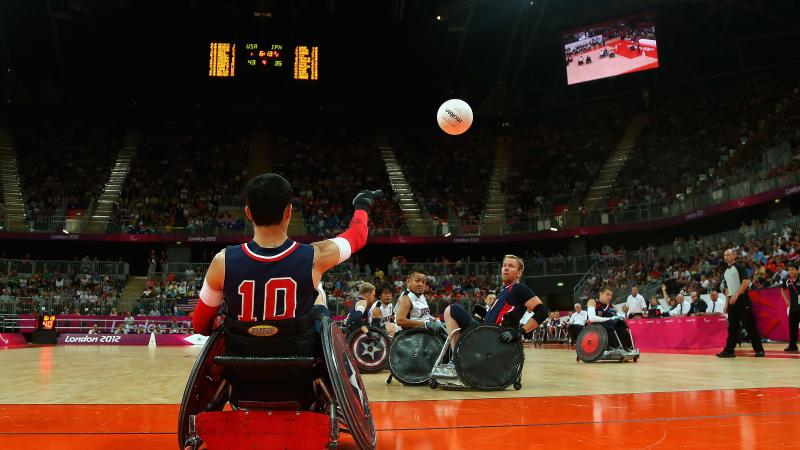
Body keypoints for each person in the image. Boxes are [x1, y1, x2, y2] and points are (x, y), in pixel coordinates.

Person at [191, 173, 381, 355]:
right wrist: (362, 204)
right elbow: (358, 236)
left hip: (239, 366)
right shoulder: (316, 257)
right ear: (289, 211)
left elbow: (200, 325)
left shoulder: (222, 262)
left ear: (248, 212)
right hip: (300, 365)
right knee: (319, 297)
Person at [443, 255, 548, 349]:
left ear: (519, 273)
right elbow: (501, 317)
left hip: (494, 337)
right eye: (504, 265)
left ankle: (456, 360)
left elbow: (542, 312)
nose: (506, 268)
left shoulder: (519, 288)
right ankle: (456, 356)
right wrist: (484, 313)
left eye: (511, 266)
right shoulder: (502, 290)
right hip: (486, 331)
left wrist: (519, 332)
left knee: (452, 309)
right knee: (445, 328)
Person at [717, 249, 765, 358]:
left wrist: (736, 295)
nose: (726, 256)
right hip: (732, 302)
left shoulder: (739, 267)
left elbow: (746, 282)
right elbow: (727, 288)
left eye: (728, 254)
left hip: (742, 300)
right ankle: (729, 351)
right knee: (732, 328)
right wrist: (726, 304)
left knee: (750, 326)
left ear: (734, 255)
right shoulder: (725, 271)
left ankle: (759, 350)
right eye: (724, 255)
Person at [393, 267, 444, 334]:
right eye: (417, 281)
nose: (421, 284)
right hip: (408, 334)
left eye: (423, 282)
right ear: (408, 281)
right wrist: (426, 324)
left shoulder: (420, 295)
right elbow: (400, 321)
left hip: (422, 331)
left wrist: (434, 320)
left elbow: (424, 316)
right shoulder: (406, 298)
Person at [780, 262, 800, 353]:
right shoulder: (787, 280)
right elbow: (782, 290)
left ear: (798, 270)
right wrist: (786, 301)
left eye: (793, 269)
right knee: (792, 328)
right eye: (789, 270)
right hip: (793, 308)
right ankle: (792, 346)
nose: (791, 271)